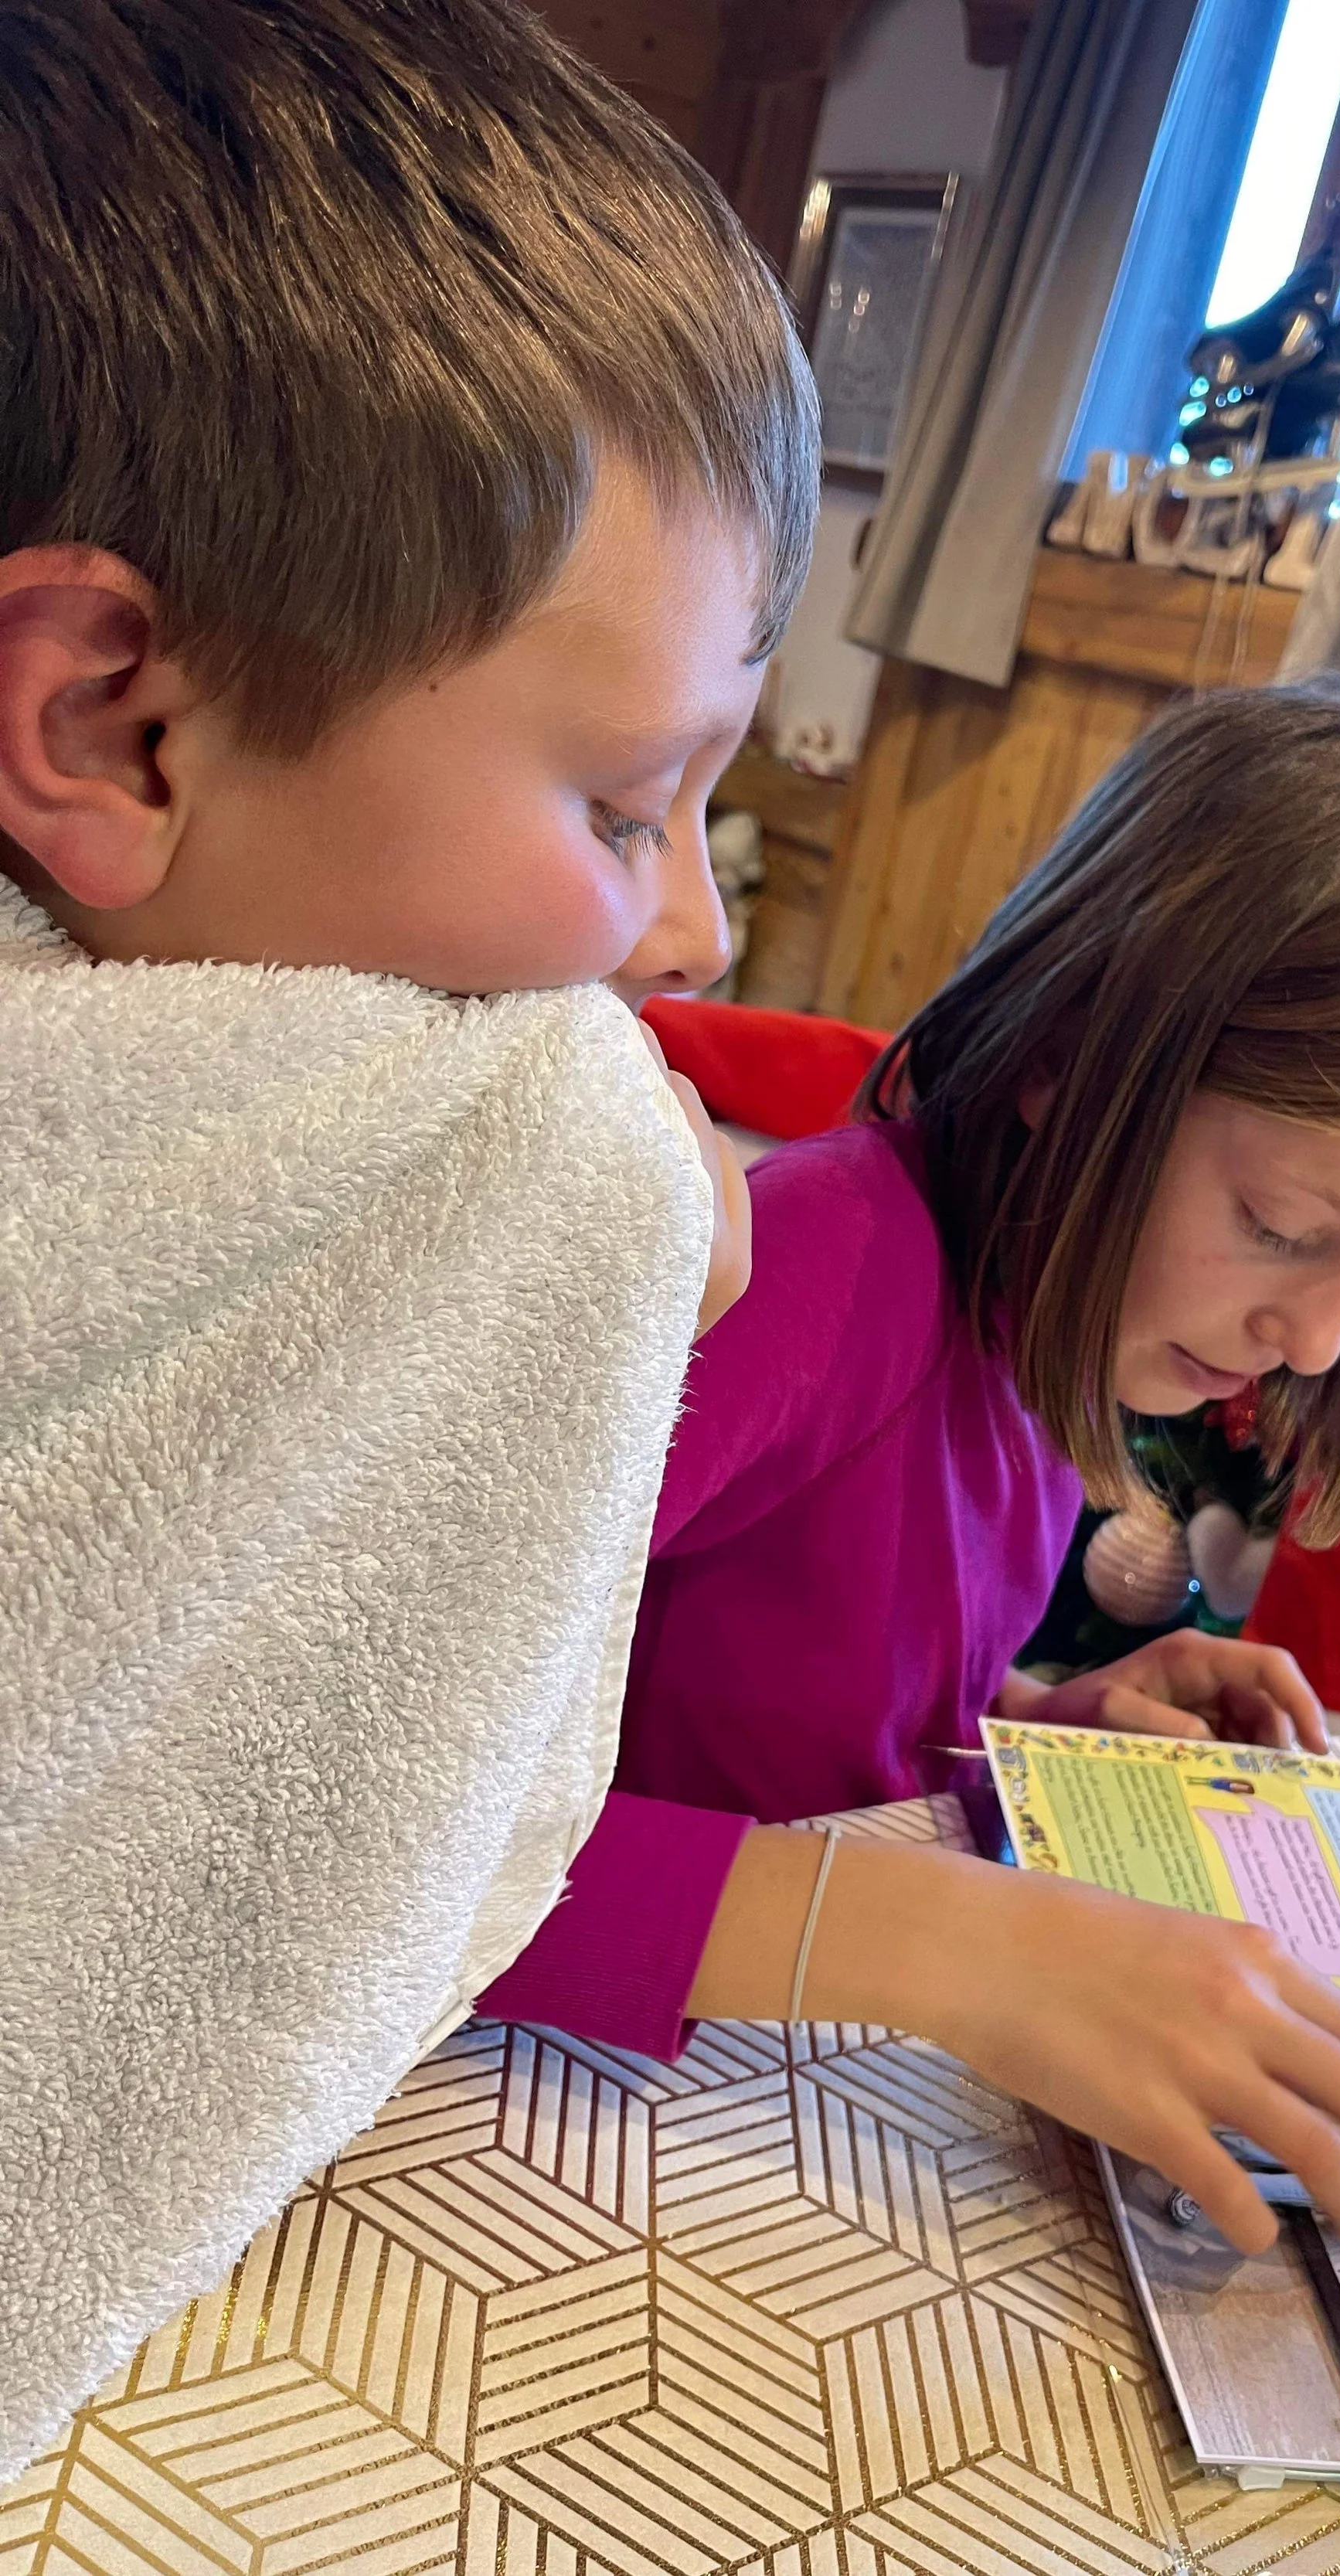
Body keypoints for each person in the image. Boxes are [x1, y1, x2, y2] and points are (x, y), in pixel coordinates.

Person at [0, 0, 806, 2477]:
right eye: (624, 799)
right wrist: (608, 1158)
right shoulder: (534, 1134)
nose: (685, 938)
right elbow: (678, 1222)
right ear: (120, 722)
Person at [485, 683, 1340, 2261]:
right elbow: (347, 1817)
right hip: (511, 2133)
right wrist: (977, 1947)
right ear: (1065, 1064)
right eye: (1283, 1228)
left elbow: (771, 1710)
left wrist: (1034, 1735)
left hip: (739, 2124)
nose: (1322, 1337)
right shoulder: (808, 1270)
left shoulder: (1035, 1327)